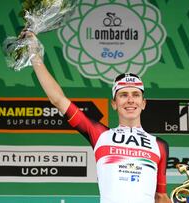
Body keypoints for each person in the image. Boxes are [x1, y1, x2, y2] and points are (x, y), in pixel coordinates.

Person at [23, 31, 171, 203]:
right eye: (123, 95)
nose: (130, 100)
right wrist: (34, 54)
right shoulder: (100, 134)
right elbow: (58, 100)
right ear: (114, 104)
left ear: (143, 103)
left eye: (135, 95)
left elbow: (161, 197)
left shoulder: (159, 145)